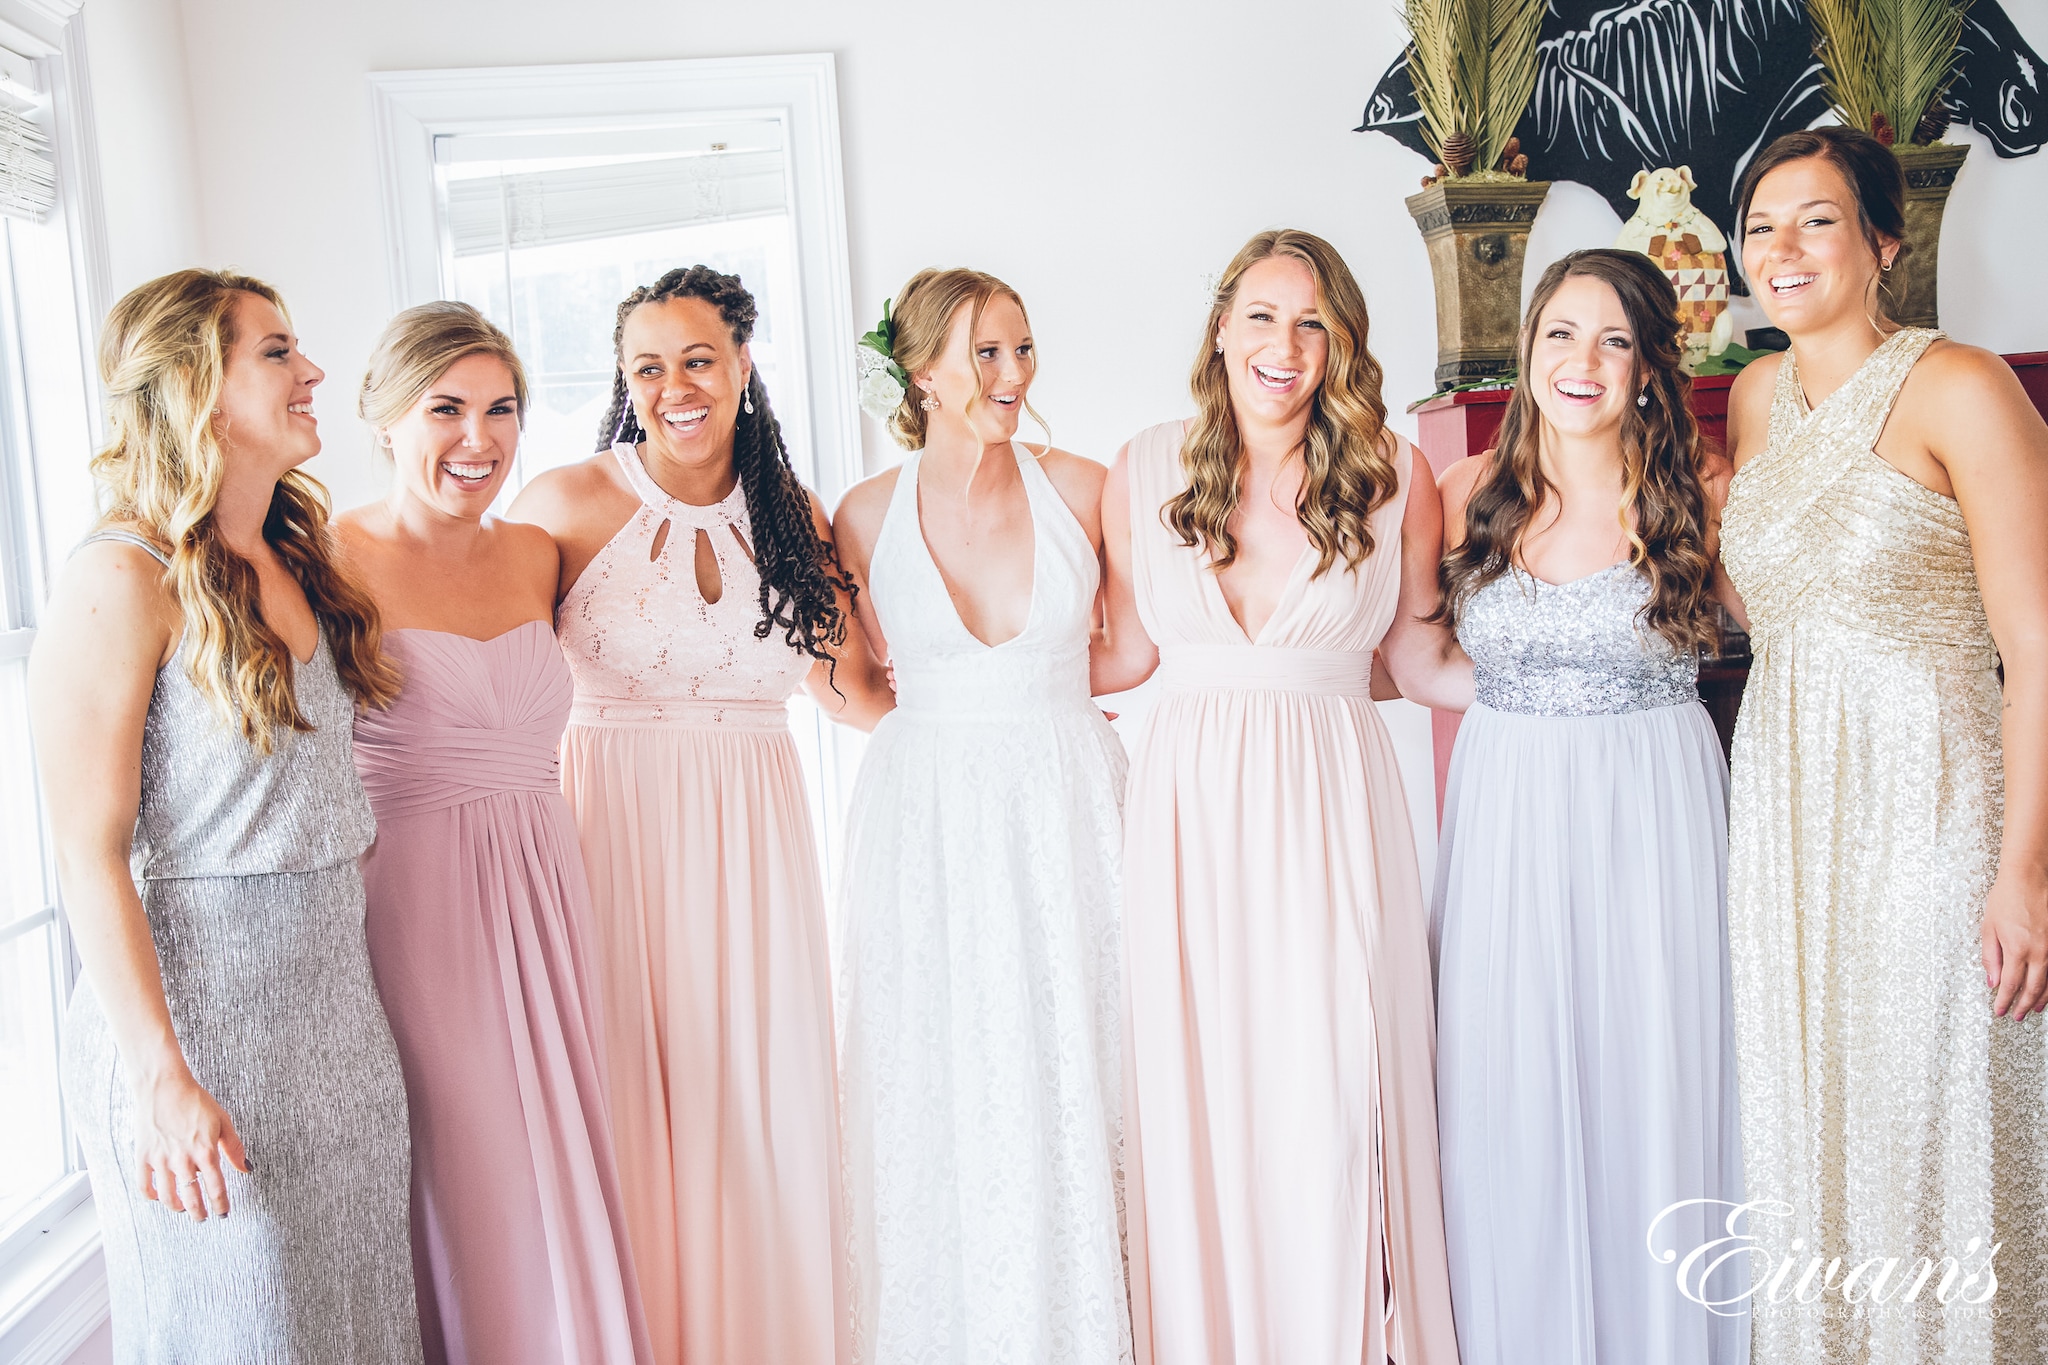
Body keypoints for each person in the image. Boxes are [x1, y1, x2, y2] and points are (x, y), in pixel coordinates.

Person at [30, 269, 421, 1362]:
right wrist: (160, 1075)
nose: (314, 374)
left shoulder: (297, 553)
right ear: (199, 386)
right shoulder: (120, 574)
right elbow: (87, 849)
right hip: (195, 1024)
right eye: (279, 352)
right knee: (243, 1332)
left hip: (335, 1018)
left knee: (360, 1326)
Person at [1091, 228, 1466, 1363]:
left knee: (1332, 1089)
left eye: (1311, 322)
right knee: (1204, 1092)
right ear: (1219, 328)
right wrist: (949, 688)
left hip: (1329, 806)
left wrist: (1566, 689)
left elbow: (1414, 660)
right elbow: (1119, 655)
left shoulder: (1392, 470)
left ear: (1340, 343)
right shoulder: (1143, 464)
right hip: (1187, 813)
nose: (1283, 345)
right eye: (1260, 314)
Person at [509, 264, 890, 1365]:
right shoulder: (568, 502)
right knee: (628, 1097)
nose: (675, 386)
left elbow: (851, 693)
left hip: (757, 840)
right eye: (648, 365)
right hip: (606, 832)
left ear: (742, 366)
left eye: (698, 359)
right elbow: (494, 679)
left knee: (759, 1108)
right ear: (625, 380)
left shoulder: (792, 517)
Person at [1719, 125, 2048, 1363]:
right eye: (1758, 227)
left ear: (1881, 244)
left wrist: (2022, 870)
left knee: (1935, 1114)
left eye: (1814, 220)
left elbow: (2036, 644)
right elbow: (1781, 599)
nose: (1781, 249)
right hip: (1789, 812)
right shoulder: (1754, 397)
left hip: (1933, 800)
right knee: (1814, 1119)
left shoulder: (1959, 384)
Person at [1430, 249, 1745, 1364]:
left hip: (1651, 812)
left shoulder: (1698, 495)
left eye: (1613, 340)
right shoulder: (1465, 492)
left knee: (1648, 1072)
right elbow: (1411, 662)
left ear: (1649, 370)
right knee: (1507, 1084)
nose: (1582, 361)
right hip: (1507, 810)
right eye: (1559, 333)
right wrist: (1531, 697)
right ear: (1525, 352)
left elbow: (1797, 635)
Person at [338, 302, 652, 1365]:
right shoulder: (322, 563)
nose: (479, 439)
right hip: (414, 905)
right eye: (447, 409)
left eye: (502, 409)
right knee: (467, 1166)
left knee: (557, 1148)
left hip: (547, 885)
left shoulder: (535, 552)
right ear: (386, 420)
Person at [831, 269, 1130, 1364]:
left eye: (1021, 349)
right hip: (927, 826)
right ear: (919, 372)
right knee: (945, 1074)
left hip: (1067, 802)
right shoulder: (860, 515)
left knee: (1078, 1057)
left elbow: (1136, 649)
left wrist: (1031, 716)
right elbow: (844, 679)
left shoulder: (1090, 489)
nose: (1013, 376)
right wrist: (948, 744)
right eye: (985, 355)